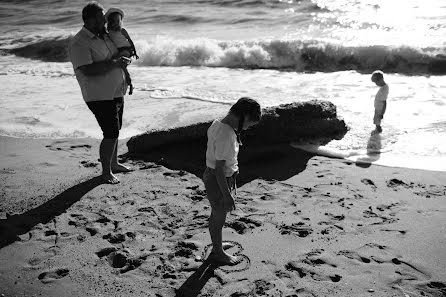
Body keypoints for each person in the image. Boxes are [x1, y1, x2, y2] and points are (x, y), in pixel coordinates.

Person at [69, 2, 131, 184]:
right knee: (110, 133)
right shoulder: (79, 42)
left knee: (116, 129)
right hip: (98, 95)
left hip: (115, 90)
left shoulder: (104, 36)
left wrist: (124, 56)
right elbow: (87, 70)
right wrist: (115, 63)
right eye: (100, 17)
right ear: (89, 20)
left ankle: (114, 163)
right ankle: (106, 172)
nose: (104, 20)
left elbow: (119, 51)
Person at [203, 97, 262, 265]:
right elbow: (219, 169)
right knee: (219, 216)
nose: (247, 128)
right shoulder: (226, 134)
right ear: (242, 116)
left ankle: (217, 245)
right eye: (248, 124)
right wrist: (227, 194)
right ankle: (218, 253)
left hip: (214, 176)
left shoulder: (217, 123)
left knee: (217, 214)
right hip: (218, 180)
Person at [104, 7, 139, 95]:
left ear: (120, 22)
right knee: (119, 66)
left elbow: (130, 41)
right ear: (110, 22)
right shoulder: (110, 33)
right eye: (113, 21)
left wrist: (135, 52)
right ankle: (127, 83)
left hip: (127, 49)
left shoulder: (122, 31)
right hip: (119, 51)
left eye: (118, 21)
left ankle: (129, 84)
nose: (116, 23)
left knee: (120, 63)